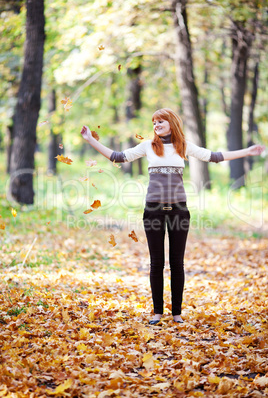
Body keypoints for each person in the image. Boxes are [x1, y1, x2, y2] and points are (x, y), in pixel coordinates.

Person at [80, 108, 265, 325]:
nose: (156, 125)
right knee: (156, 263)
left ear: (171, 123)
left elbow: (214, 156)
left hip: (179, 210)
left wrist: (247, 152)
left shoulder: (183, 145)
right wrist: (91, 140)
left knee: (177, 263)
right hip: (153, 211)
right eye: (154, 122)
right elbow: (117, 157)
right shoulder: (148, 146)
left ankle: (176, 313)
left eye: (160, 121)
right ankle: (157, 313)